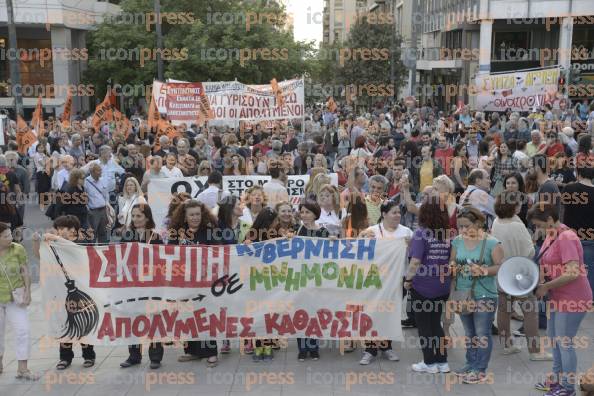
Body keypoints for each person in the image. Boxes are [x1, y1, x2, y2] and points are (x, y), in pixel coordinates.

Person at [528, 204, 593, 396]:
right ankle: (556, 380)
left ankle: (567, 387)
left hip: (573, 297)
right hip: (558, 296)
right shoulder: (553, 234)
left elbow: (572, 272)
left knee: (564, 343)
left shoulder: (566, 237)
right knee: (555, 340)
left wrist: (546, 286)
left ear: (549, 219)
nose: (537, 230)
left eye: (539, 225)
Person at [491, 191, 552, 361]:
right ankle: (535, 351)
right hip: (520, 274)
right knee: (530, 312)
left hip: (502, 273)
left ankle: (507, 345)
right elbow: (530, 251)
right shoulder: (517, 225)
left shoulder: (496, 222)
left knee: (503, 310)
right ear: (514, 206)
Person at [33, 216, 96, 370]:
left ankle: (89, 355)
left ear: (74, 230)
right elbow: (40, 256)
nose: (61, 231)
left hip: (80, 290)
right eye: (59, 228)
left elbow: (75, 252)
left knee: (82, 323)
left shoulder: (81, 243)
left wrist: (55, 237)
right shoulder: (54, 245)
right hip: (60, 291)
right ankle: (65, 357)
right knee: (64, 322)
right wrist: (36, 242)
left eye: (65, 228)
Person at [450, 206, 503, 384]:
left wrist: (483, 270)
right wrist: (452, 268)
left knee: (482, 333)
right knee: (469, 332)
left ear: (478, 223)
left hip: (484, 294)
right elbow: (452, 261)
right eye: (460, 226)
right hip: (463, 292)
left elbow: (500, 267)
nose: (463, 230)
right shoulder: (457, 241)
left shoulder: (492, 243)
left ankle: (480, 370)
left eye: (466, 226)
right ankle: (470, 363)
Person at [358, 199, 412, 365]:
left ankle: (386, 346)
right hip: (375, 280)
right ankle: (370, 349)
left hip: (397, 280)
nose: (397, 215)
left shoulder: (407, 232)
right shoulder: (372, 230)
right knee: (372, 312)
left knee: (390, 313)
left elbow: (414, 255)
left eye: (399, 212)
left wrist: (410, 246)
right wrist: (361, 237)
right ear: (383, 214)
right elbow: (357, 249)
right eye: (394, 212)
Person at [404, 196, 452, 374]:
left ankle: (429, 363)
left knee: (424, 326)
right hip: (442, 286)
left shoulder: (421, 233)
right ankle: (443, 362)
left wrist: (408, 280)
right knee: (436, 324)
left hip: (423, 286)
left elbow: (415, 262)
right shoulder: (447, 234)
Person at [168, 200, 219, 367]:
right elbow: (168, 254)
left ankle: (211, 352)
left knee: (206, 316)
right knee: (188, 316)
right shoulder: (177, 233)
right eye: (191, 215)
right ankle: (192, 351)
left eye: (198, 214)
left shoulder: (209, 231)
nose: (195, 217)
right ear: (185, 216)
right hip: (184, 282)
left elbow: (219, 253)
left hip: (205, 282)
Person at [119, 204, 164, 369]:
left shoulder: (156, 237)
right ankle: (134, 355)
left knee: (153, 321)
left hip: (152, 285)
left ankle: (155, 357)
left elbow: (163, 261)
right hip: (132, 285)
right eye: (134, 216)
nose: (136, 219)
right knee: (133, 320)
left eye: (139, 216)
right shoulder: (127, 235)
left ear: (147, 217)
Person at [0, 222, 36, 380]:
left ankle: (23, 368)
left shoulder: (17, 249)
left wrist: (28, 291)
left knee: (23, 331)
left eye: (10, 234)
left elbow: (25, 270)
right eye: (5, 236)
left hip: (16, 297)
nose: (10, 238)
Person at [295, 199, 330, 361]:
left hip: (317, 279)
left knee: (314, 314)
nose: (304, 215)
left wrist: (334, 242)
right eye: (302, 212)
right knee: (301, 314)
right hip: (299, 279)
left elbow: (331, 252)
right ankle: (302, 348)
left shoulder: (323, 232)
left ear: (315, 214)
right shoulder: (296, 231)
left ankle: (314, 347)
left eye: (307, 212)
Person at [562, 163, 594, 297]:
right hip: (589, 237)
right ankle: (588, 296)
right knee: (588, 268)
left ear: (578, 173)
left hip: (570, 235)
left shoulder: (569, 188)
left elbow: (563, 209)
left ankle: (571, 293)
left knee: (569, 267)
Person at [84, 163, 110, 244]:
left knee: (104, 233)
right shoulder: (86, 182)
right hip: (93, 212)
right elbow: (84, 198)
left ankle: (103, 251)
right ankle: (92, 253)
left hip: (103, 210)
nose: (101, 172)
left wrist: (107, 205)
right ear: (92, 172)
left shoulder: (102, 180)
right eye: (99, 170)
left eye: (101, 170)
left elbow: (106, 194)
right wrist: (88, 209)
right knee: (93, 234)